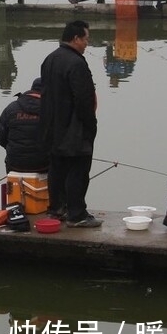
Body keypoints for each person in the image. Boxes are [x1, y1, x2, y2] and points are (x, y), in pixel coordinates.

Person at [37, 20, 100, 228]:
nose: (86, 44)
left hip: (52, 128)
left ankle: (57, 209)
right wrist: (91, 126)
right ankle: (77, 214)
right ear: (75, 39)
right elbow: (84, 100)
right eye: (85, 39)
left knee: (57, 170)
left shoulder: (49, 59)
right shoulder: (77, 63)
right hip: (74, 130)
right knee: (78, 172)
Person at [0, 78, 48, 173]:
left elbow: (0, 137)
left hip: (15, 165)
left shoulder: (11, 108)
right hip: (43, 166)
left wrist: (15, 147)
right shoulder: (53, 111)